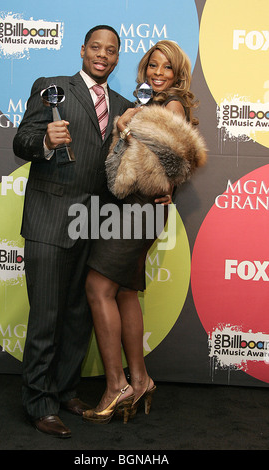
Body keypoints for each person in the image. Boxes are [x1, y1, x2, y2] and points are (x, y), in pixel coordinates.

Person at [13, 25, 133, 438]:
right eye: (96, 47)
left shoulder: (122, 106)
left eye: (111, 50)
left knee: (79, 318)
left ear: (117, 58)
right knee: (47, 316)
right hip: (49, 217)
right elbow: (21, 139)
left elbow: (124, 166)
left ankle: (64, 391)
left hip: (95, 224)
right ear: (82, 51)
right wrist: (44, 139)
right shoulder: (52, 88)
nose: (103, 55)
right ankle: (39, 403)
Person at [83, 40, 201, 424]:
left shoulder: (171, 105)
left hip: (138, 208)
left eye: (167, 68)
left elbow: (174, 158)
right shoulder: (153, 104)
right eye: (153, 65)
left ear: (178, 73)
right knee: (126, 292)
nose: (158, 73)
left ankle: (116, 384)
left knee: (98, 288)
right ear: (145, 68)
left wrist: (166, 188)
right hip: (137, 208)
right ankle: (141, 380)